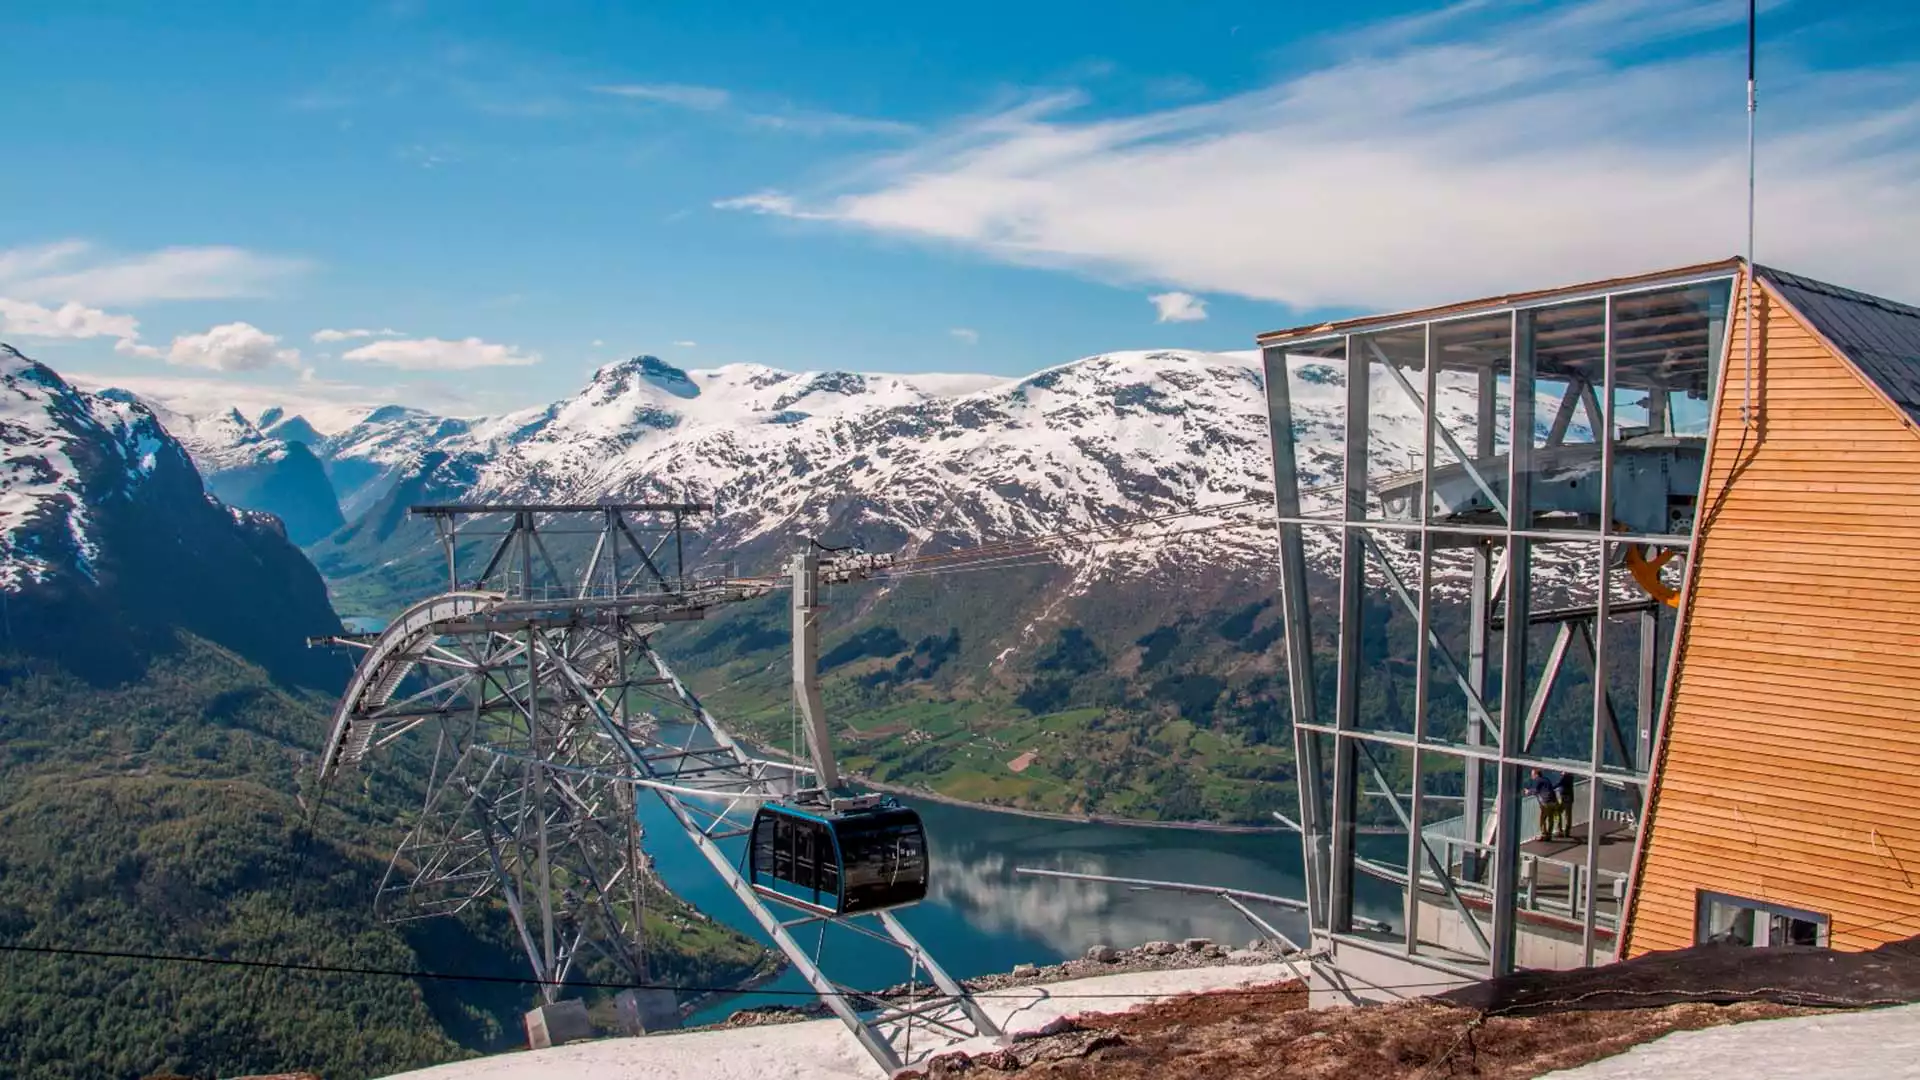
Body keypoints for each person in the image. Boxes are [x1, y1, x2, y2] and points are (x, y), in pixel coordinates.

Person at [1527, 768, 1561, 842]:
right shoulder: (1546, 779)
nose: (1531, 776)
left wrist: (1528, 791)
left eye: (1532, 774)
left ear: (1536, 774)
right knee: (1551, 819)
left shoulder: (1538, 780)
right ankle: (1549, 835)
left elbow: (1536, 790)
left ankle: (1544, 834)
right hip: (1553, 801)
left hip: (1546, 802)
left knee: (1542, 818)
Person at [1556, 771, 1577, 840]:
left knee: (1558, 813)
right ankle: (1566, 832)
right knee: (1568, 815)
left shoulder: (1565, 777)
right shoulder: (1570, 777)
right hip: (1568, 798)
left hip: (1565, 798)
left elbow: (1559, 784)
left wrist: (1549, 788)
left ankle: (1560, 831)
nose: (1560, 773)